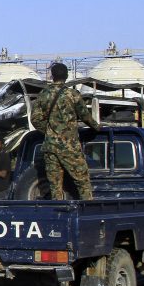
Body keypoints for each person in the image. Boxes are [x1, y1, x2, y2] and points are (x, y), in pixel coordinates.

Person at [30, 62, 102, 200]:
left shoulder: (43, 94)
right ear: (67, 76)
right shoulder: (72, 94)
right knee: (82, 181)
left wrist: (49, 131)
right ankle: (87, 211)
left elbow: (35, 119)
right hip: (69, 145)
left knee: (55, 185)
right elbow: (84, 115)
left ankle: (58, 214)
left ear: (52, 76)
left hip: (50, 146)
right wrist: (96, 127)